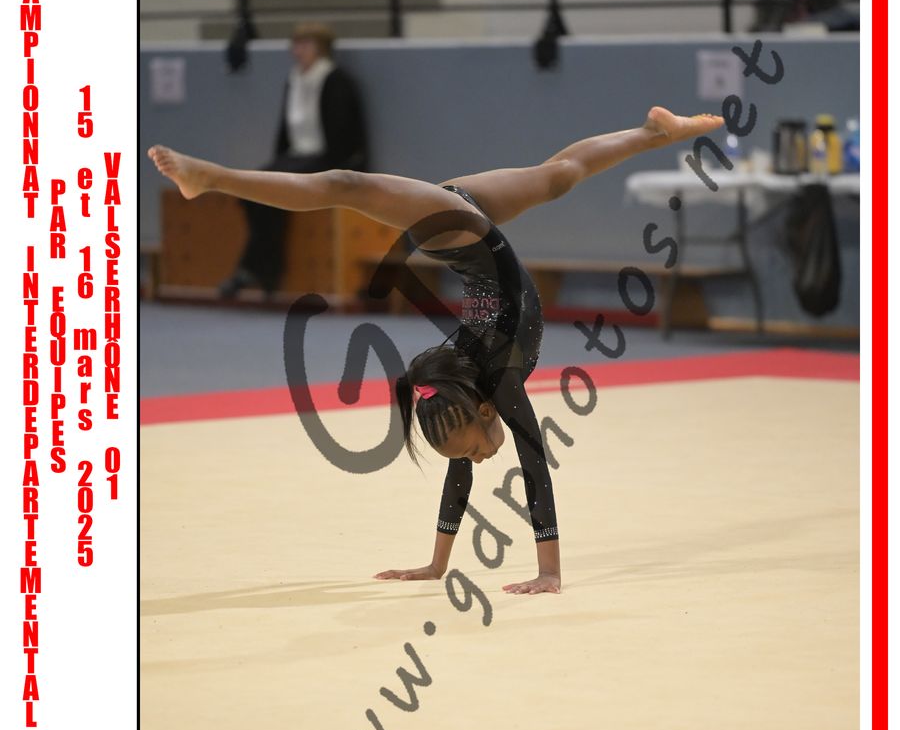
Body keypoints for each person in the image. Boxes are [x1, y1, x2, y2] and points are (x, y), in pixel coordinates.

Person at [148, 105, 724, 595]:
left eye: (469, 450)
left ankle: (210, 177)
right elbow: (466, 475)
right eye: (470, 452)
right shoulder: (471, 391)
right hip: (466, 225)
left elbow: (534, 466)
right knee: (559, 175)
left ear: (481, 410)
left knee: (346, 185)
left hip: (456, 228)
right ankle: (653, 133)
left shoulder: (495, 386)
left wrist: (549, 572)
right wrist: (436, 565)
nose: (477, 460)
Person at [219, 22, 368, 297]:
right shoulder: (294, 79)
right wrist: (277, 162)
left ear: (320, 48)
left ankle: (256, 269)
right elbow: (286, 129)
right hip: (296, 157)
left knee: (275, 192)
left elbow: (343, 135)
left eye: (304, 44)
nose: (297, 50)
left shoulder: (336, 80)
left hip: (326, 159)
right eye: (295, 44)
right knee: (251, 189)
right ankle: (264, 267)